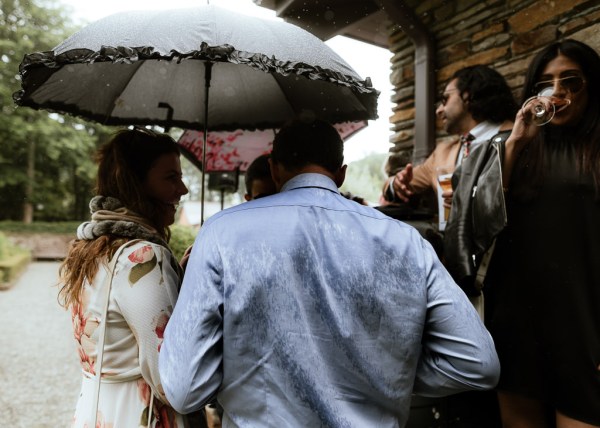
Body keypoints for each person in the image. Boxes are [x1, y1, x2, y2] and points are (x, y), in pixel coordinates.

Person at [159, 118, 500, 427]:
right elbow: (477, 363)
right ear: (341, 173)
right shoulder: (406, 241)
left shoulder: (222, 233)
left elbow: (184, 389)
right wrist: (386, 370)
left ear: (275, 171)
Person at [483, 39, 600, 428]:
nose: (559, 92)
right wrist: (516, 141)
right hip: (520, 319)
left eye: (572, 81)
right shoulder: (516, 147)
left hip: (585, 322)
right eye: (546, 84)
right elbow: (481, 221)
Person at [58, 128, 189, 427]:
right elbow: (172, 382)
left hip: (96, 409)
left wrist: (176, 278)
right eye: (171, 177)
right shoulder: (143, 257)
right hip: (138, 414)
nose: (183, 189)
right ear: (135, 184)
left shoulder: (93, 248)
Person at [382, 64, 517, 214]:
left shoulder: (518, 137)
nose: (438, 110)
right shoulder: (441, 153)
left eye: (445, 99)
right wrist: (397, 184)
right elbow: (395, 184)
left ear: (468, 95)